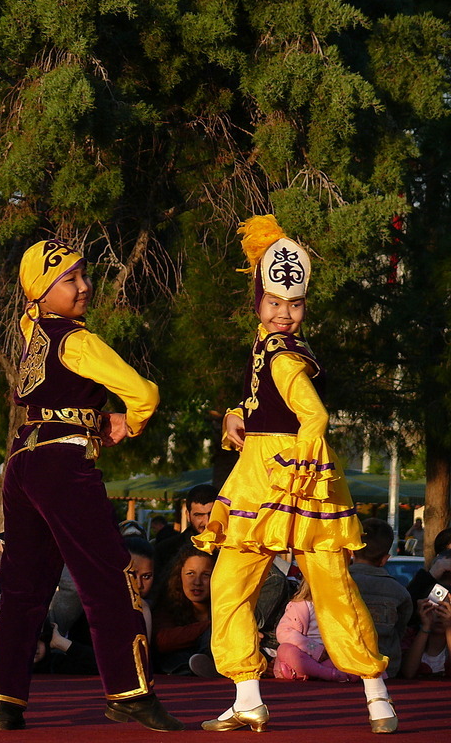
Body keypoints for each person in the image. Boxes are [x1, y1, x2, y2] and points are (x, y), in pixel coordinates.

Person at [193, 215, 394, 733]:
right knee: (243, 584)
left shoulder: (283, 353)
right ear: (258, 304)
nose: (285, 314)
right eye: (276, 304)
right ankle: (262, 697)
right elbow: (261, 399)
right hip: (265, 470)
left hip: (282, 474)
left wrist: (302, 466)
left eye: (295, 305)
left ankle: (369, 691)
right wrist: (237, 412)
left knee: (314, 584)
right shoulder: (265, 345)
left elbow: (315, 416)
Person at [0, 240, 182, 733]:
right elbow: (145, 391)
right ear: (41, 292)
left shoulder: (32, 336)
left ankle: (4, 699)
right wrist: (128, 422)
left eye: (82, 275)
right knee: (107, 578)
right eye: (70, 279)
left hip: (21, 463)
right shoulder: (74, 340)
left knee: (24, 587)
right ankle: (129, 692)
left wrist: (97, 418)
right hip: (62, 466)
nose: (84, 286)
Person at [349, 519, 412, 678]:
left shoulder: (338, 583)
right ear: (385, 559)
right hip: (386, 668)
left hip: (341, 663)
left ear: (351, 550)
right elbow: (400, 630)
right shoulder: (399, 591)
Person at [273, 577, 353, 682]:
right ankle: (327, 673)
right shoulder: (302, 605)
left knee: (350, 656)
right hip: (303, 653)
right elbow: (284, 632)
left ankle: (310, 673)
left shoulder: (342, 607)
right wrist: (315, 650)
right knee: (284, 649)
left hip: (331, 655)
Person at [151, 547, 215, 675]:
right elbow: (163, 641)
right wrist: (213, 625)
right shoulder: (168, 603)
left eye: (206, 575)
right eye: (190, 573)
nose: (197, 582)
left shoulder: (228, 605)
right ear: (179, 575)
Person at [153, 483, 217, 580]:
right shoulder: (165, 551)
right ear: (188, 515)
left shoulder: (235, 548)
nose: (207, 522)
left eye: (212, 514)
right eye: (199, 515)